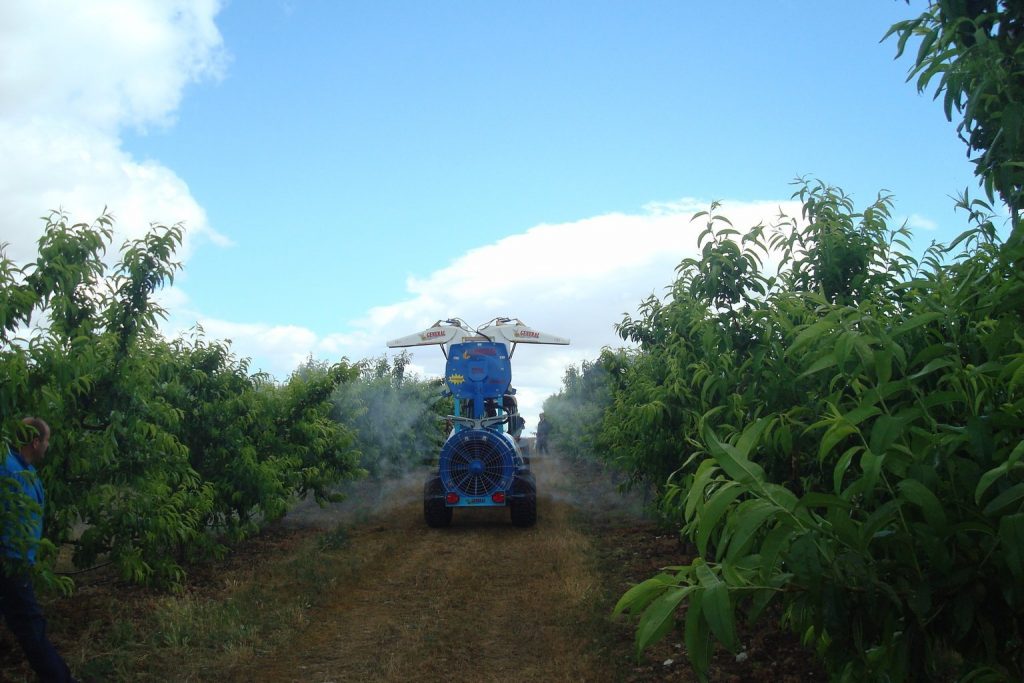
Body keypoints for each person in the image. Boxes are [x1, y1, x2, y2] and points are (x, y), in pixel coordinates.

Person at [1, 417, 78, 682]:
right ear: (35, 442)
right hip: (10, 564)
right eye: (46, 440)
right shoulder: (6, 469)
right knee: (31, 627)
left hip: (19, 563)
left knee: (27, 625)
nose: (48, 445)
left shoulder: (27, 470)